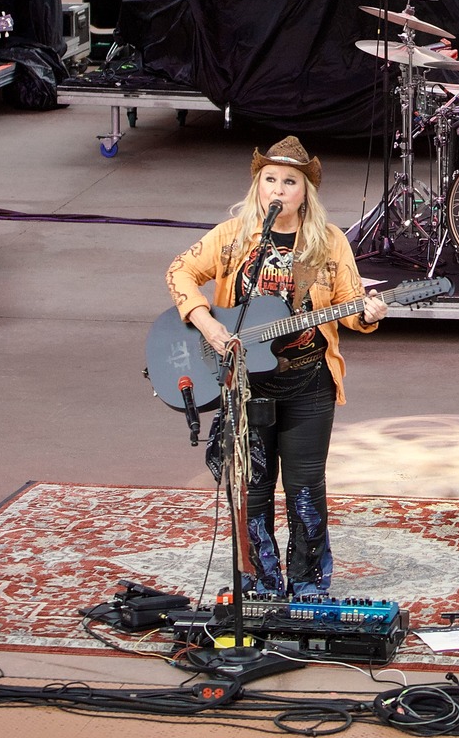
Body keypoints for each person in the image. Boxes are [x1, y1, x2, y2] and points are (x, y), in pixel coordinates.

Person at [167, 138, 387, 600]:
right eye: (271, 180)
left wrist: (366, 314)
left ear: (306, 191)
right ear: (258, 186)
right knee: (254, 488)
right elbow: (179, 272)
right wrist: (207, 323)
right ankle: (260, 583)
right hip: (247, 385)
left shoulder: (329, 242)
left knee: (306, 488)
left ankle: (307, 584)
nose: (279, 190)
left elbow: (348, 307)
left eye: (290, 182)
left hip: (309, 382)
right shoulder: (231, 236)